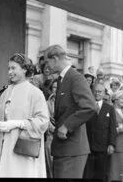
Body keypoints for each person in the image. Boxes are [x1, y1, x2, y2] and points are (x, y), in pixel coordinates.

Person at [0, 53, 49, 177]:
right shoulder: (6, 92)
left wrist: (18, 124)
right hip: (3, 147)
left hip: (23, 149)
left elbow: (43, 121)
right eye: (8, 69)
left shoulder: (35, 93)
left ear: (24, 69)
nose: (9, 72)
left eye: (13, 68)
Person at [44, 44, 96, 178]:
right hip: (64, 148)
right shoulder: (63, 78)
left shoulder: (75, 77)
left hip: (72, 149)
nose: (47, 66)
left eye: (47, 62)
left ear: (55, 59)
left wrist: (67, 126)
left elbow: (89, 106)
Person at [83, 83, 116, 182]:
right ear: (92, 92)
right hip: (88, 146)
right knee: (88, 174)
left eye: (99, 91)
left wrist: (111, 144)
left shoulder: (109, 108)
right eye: (95, 91)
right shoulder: (87, 106)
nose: (97, 93)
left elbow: (112, 128)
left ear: (104, 93)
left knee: (101, 175)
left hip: (103, 147)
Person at [109, 91, 123, 182]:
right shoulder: (111, 110)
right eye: (121, 98)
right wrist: (118, 129)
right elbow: (107, 129)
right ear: (115, 99)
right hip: (116, 145)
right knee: (114, 172)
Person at [45, 78, 57, 178]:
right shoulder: (47, 103)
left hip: (62, 137)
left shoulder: (66, 102)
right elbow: (46, 120)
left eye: (57, 87)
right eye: (53, 87)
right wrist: (54, 130)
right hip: (50, 135)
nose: (55, 89)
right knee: (50, 164)